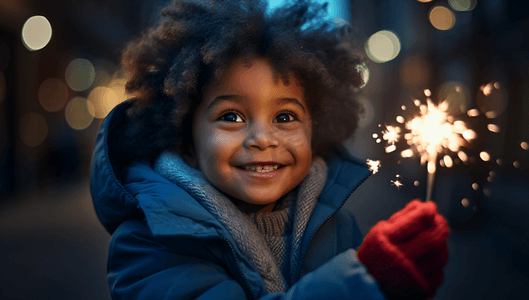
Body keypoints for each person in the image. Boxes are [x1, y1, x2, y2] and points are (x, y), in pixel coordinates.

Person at [90, 0, 449, 299]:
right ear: (184, 136)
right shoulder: (149, 241)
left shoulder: (340, 227)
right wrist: (364, 281)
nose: (263, 138)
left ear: (316, 128)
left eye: (285, 116)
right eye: (231, 116)